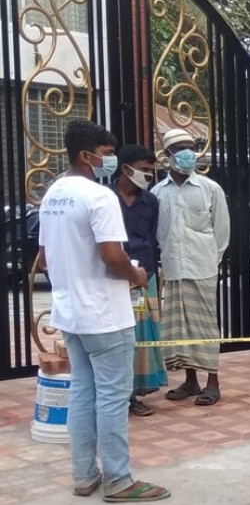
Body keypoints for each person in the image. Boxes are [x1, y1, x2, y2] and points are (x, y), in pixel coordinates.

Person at [38, 119, 169, 502]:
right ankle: (119, 480)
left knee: (83, 391)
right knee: (112, 396)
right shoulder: (99, 196)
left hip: (70, 314)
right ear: (86, 155)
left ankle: (84, 475)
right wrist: (136, 274)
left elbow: (44, 260)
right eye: (107, 154)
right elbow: (112, 256)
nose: (110, 161)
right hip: (105, 314)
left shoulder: (53, 196)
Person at [155, 128, 230, 407]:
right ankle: (190, 380)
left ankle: (213, 382)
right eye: (181, 149)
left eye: (191, 148)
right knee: (181, 330)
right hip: (174, 269)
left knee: (205, 327)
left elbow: (222, 232)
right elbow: (158, 234)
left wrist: (212, 260)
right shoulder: (158, 193)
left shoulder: (210, 189)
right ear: (168, 155)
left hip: (203, 268)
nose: (188, 153)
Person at [113, 144, 165, 416]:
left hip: (145, 276)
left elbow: (152, 237)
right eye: (144, 170)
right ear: (126, 168)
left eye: (151, 170)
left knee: (141, 336)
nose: (149, 175)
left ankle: (134, 393)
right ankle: (117, 395)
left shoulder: (151, 201)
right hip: (113, 276)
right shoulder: (106, 198)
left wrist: (149, 270)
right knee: (119, 335)